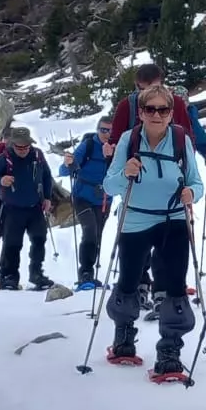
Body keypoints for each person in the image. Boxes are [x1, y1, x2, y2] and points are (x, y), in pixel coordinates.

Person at [101, 84, 204, 375]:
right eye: (150, 109)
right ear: (141, 113)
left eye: (163, 109)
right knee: (130, 279)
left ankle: (170, 348)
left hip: (173, 219)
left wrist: (191, 195)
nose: (156, 115)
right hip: (136, 218)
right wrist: (125, 174)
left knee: (174, 284)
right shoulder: (129, 140)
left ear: (171, 113)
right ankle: (123, 336)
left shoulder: (181, 139)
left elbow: (197, 182)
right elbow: (110, 185)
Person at [0, 127, 57, 291]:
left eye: (25, 146)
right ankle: (8, 276)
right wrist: (1, 181)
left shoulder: (38, 155)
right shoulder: (4, 158)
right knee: (13, 243)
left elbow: (47, 177)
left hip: (35, 206)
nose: (23, 150)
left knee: (39, 239)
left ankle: (36, 273)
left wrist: (47, 197)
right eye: (19, 147)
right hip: (12, 208)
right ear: (12, 144)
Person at [60, 115, 115, 290]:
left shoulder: (116, 148)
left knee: (97, 234)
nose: (106, 134)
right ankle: (85, 273)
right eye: (103, 130)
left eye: (110, 130)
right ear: (98, 130)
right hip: (82, 196)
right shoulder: (88, 145)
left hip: (105, 198)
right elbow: (65, 169)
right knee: (90, 230)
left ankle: (89, 274)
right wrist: (68, 163)